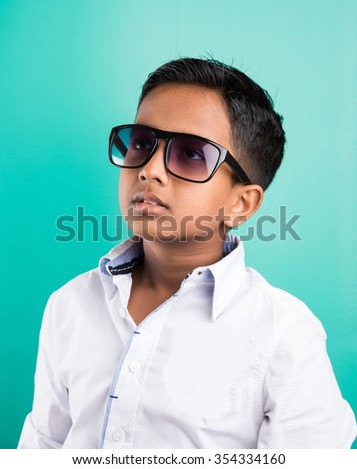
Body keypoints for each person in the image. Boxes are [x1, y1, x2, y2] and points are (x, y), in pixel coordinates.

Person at [18, 57, 356, 449]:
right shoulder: (71, 304)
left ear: (241, 204)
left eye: (192, 154)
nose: (150, 170)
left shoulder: (285, 334)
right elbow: (43, 446)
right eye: (141, 144)